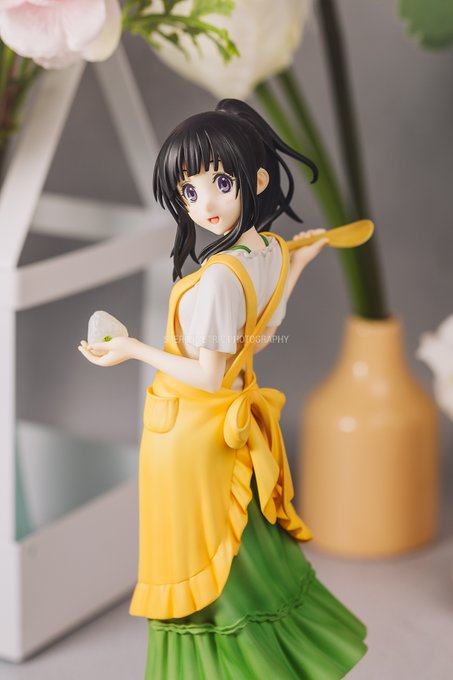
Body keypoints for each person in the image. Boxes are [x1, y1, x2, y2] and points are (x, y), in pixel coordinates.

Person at [78, 99, 367, 679]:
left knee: (201, 572)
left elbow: (209, 376)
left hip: (190, 437)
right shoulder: (270, 252)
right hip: (230, 431)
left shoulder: (216, 280)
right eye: (189, 191)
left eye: (221, 183)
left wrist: (132, 348)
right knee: (242, 556)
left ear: (255, 181)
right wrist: (299, 264)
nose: (205, 204)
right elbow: (262, 336)